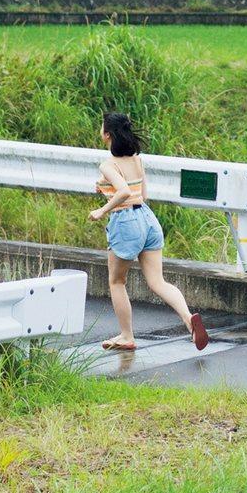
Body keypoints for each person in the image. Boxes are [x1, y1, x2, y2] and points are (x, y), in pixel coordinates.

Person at [89, 111, 209, 354]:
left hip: (126, 221)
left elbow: (123, 192)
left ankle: (126, 336)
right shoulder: (137, 160)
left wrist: (102, 210)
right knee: (157, 281)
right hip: (147, 218)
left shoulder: (108, 164)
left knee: (116, 281)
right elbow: (143, 196)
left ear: (108, 134)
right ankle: (188, 320)